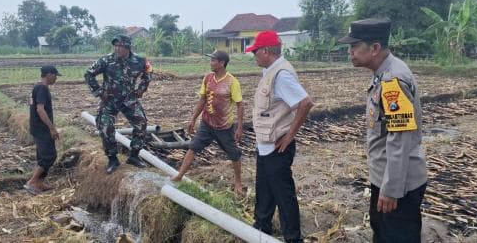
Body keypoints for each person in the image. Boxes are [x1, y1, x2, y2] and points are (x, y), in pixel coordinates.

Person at [338, 18, 427, 243]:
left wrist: (390, 189)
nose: (350, 52)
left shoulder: (393, 80)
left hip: (398, 184)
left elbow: (399, 139)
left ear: (375, 48)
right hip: (385, 177)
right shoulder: (382, 73)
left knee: (396, 236)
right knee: (383, 233)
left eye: (354, 47)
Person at [246, 30, 314, 243]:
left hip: (278, 147)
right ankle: (262, 227)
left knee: (284, 196)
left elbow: (305, 103)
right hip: (266, 145)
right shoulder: (270, 71)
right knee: (264, 189)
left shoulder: (281, 74)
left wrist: (290, 136)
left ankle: (293, 238)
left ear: (266, 51)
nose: (253, 56)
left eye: (255, 51)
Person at [170, 50, 245, 195]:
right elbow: (202, 99)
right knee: (193, 147)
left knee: (234, 154)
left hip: (224, 127)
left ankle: (238, 182)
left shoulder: (232, 82)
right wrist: (193, 118)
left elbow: (240, 105)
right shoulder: (208, 78)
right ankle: (179, 175)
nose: (210, 63)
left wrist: (240, 127)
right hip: (207, 123)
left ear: (222, 63)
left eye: (213, 60)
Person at [84, 34, 152, 174]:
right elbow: (88, 74)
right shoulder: (106, 60)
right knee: (105, 127)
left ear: (128, 47)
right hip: (109, 100)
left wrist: (141, 89)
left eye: (120, 46)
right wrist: (99, 91)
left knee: (142, 123)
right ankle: (112, 159)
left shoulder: (139, 61)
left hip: (129, 99)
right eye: (116, 46)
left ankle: (133, 156)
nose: (117, 49)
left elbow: (149, 72)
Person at [25, 65, 61, 195]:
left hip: (37, 127)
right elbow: (40, 109)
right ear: (49, 74)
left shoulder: (37, 87)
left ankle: (40, 184)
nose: (56, 78)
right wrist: (52, 128)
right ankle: (32, 182)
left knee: (42, 156)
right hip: (42, 128)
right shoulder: (42, 88)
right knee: (49, 156)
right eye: (55, 75)